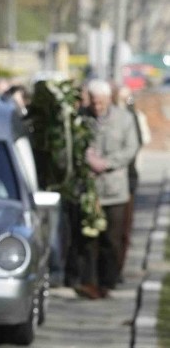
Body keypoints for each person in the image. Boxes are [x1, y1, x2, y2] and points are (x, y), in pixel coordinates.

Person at [74, 79, 140, 300]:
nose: (96, 106)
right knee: (88, 239)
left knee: (111, 240)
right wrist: (86, 160)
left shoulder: (125, 119)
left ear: (109, 99)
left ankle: (107, 281)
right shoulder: (82, 118)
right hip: (89, 190)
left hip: (114, 190)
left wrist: (107, 163)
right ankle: (89, 282)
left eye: (100, 102)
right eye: (93, 102)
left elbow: (131, 148)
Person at [114, 84, 151, 275]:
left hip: (127, 175)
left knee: (123, 224)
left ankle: (117, 267)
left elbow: (139, 142)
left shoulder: (133, 117)